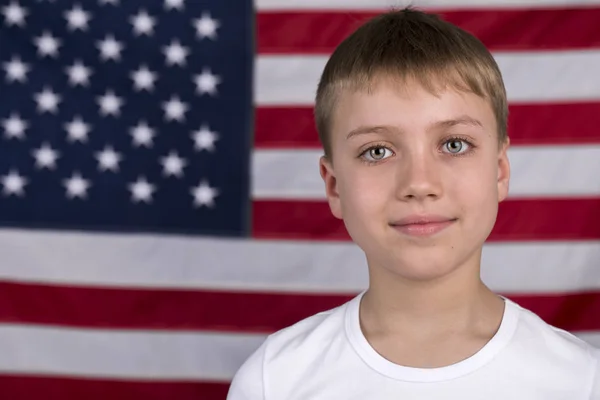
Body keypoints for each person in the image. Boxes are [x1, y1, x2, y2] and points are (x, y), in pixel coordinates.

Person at [227, 7, 600, 399]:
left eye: (454, 144)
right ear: (334, 186)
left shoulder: (579, 381)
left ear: (500, 171)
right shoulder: (275, 380)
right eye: (377, 152)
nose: (419, 184)